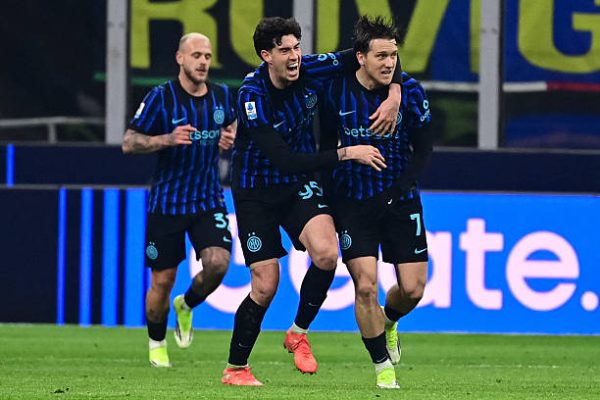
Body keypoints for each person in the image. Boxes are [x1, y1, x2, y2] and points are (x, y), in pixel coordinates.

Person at [221, 17, 403, 386]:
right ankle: (235, 369)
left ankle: (298, 333)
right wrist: (347, 152)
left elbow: (373, 52)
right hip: (256, 191)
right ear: (266, 55)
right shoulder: (252, 96)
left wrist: (395, 95)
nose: (294, 57)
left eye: (297, 47)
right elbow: (284, 159)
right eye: (284, 50)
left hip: (297, 186)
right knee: (265, 285)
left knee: (326, 254)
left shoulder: (312, 67)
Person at [319, 16, 432, 389]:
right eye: (381, 56)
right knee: (365, 286)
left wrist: (398, 189)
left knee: (413, 289)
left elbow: (424, 149)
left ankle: (390, 320)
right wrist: (329, 199)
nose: (388, 63)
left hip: (400, 200)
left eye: (393, 56)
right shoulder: (335, 91)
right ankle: (383, 367)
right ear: (360, 57)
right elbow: (325, 145)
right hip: (353, 201)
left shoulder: (409, 92)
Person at [122, 33, 237, 368]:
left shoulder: (221, 95)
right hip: (167, 203)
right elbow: (129, 142)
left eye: (208, 56)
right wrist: (167, 139)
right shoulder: (162, 97)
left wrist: (230, 136)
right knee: (162, 281)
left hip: (207, 200)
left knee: (218, 264)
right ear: (180, 58)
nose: (203, 62)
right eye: (196, 55)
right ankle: (157, 342)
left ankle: (186, 305)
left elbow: (232, 124)